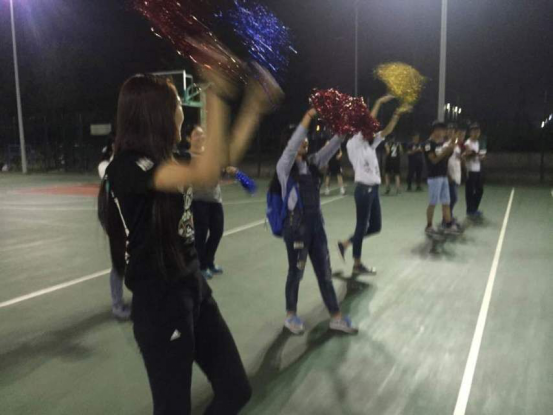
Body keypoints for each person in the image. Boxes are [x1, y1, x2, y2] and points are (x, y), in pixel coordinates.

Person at [98, 69, 281, 415]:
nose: (182, 108)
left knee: (235, 389)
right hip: (160, 304)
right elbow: (205, 173)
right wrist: (215, 93)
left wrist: (254, 106)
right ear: (157, 112)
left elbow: (221, 161)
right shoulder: (127, 168)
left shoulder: (170, 158)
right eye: (178, 103)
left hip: (193, 289)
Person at [277, 108, 358, 336]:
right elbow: (292, 146)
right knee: (296, 273)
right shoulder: (284, 167)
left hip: (316, 228)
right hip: (296, 229)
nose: (304, 141)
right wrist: (308, 116)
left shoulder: (313, 162)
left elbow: (332, 146)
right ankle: (290, 316)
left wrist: (345, 127)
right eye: (299, 138)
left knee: (325, 273)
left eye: (305, 138)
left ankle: (336, 318)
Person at [338, 96, 411, 275]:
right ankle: (357, 264)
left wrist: (396, 115)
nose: (372, 128)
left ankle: (346, 244)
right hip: (363, 189)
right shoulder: (354, 142)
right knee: (362, 226)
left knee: (376, 226)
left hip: (374, 190)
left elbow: (386, 131)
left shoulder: (369, 144)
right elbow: (369, 121)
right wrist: (378, 102)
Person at [186, 124, 238, 280]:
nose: (201, 137)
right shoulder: (187, 157)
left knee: (217, 232)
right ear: (189, 138)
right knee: (200, 235)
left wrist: (226, 171)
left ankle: (209, 262)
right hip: (198, 200)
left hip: (215, 199)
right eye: (197, 134)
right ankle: (201, 266)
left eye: (202, 134)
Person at [98, 135, 132, 321]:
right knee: (119, 263)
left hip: (130, 221)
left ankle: (140, 299)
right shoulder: (105, 166)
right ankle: (117, 305)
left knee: (135, 260)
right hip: (115, 222)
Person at [423, 122, 462, 236]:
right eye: (440, 130)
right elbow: (434, 160)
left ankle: (448, 225)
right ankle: (429, 226)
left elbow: (445, 156)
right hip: (434, 177)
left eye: (443, 130)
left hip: (443, 176)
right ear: (434, 130)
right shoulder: (428, 144)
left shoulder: (440, 144)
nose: (442, 133)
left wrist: (451, 147)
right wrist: (446, 151)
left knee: (446, 202)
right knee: (433, 202)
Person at [464, 123, 486, 219]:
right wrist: (474, 154)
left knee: (480, 190)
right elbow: (466, 156)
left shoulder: (477, 143)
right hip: (470, 170)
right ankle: (470, 210)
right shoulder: (467, 143)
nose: (476, 133)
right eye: (474, 131)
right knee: (469, 191)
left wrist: (480, 157)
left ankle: (474, 208)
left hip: (477, 169)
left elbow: (477, 155)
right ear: (470, 133)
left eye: (478, 131)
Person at [447, 125, 467, 222]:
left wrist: (462, 159)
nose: (461, 137)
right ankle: (446, 218)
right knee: (452, 198)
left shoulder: (457, 147)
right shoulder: (447, 145)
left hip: (456, 175)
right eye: (459, 135)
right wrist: (448, 175)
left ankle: (449, 216)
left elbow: (458, 158)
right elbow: (444, 162)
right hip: (450, 176)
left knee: (453, 198)